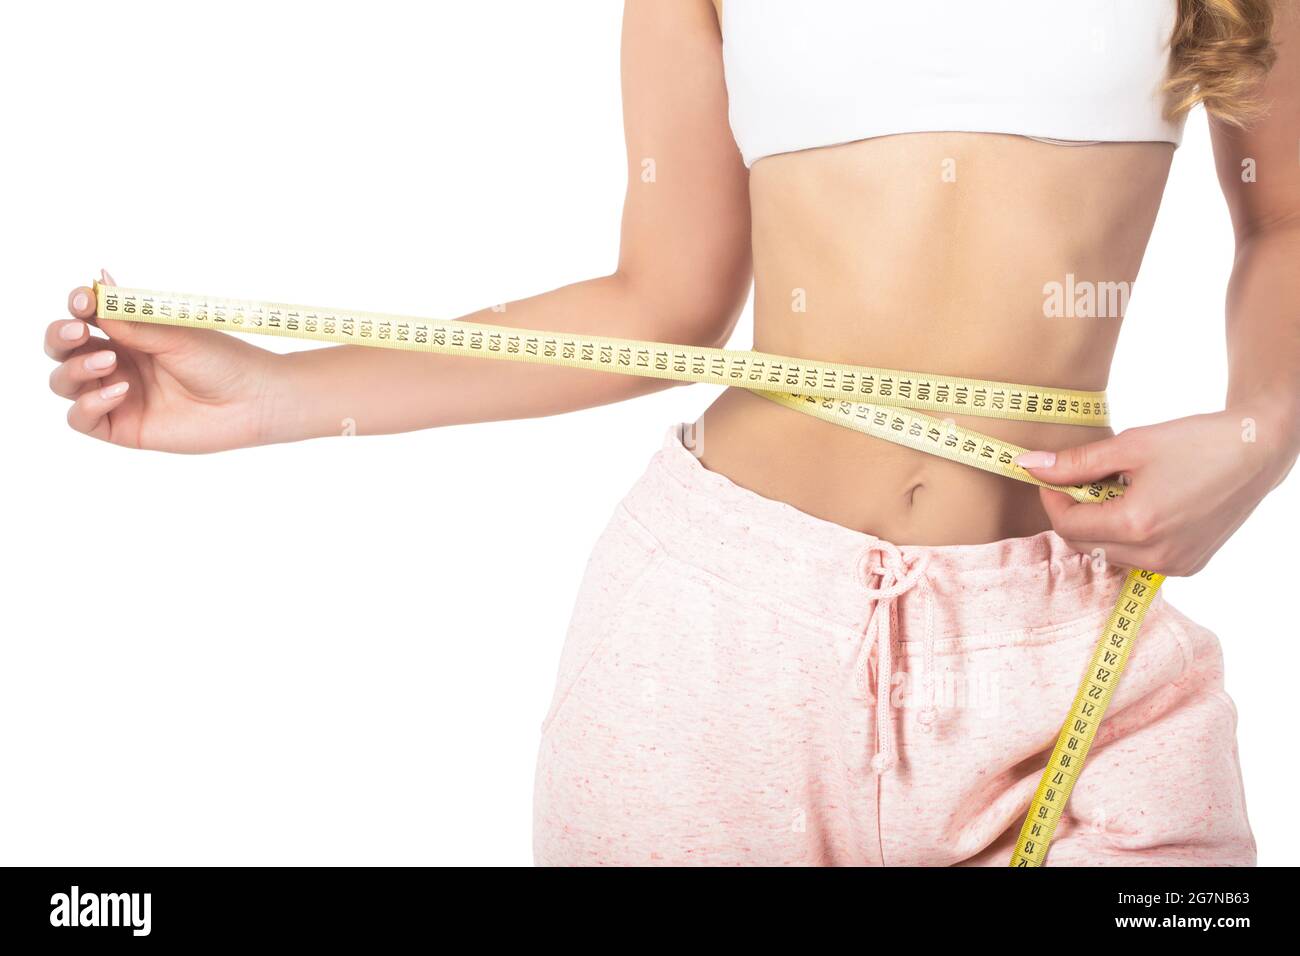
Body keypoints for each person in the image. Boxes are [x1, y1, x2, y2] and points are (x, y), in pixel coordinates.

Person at [44, 1, 1297, 865]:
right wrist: (287, 393)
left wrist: (1263, 430)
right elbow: (661, 299)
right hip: (717, 632)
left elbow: (1282, 222)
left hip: (1075, 633)